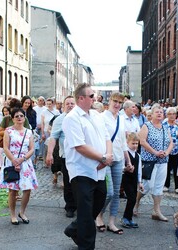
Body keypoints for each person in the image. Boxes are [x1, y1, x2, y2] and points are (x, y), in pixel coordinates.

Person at [62, 83, 113, 249]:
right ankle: (86, 246)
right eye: (91, 96)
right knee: (85, 211)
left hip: (99, 169)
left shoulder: (96, 115)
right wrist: (103, 158)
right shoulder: (72, 118)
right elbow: (80, 146)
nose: (95, 98)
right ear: (81, 98)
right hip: (82, 170)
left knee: (99, 202)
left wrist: (108, 156)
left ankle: (74, 228)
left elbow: (107, 138)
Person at [96, 92, 133, 235]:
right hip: (105, 159)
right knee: (108, 193)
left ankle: (112, 222)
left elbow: (123, 142)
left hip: (119, 159)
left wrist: (128, 161)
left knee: (116, 193)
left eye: (120, 102)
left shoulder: (122, 119)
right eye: (115, 101)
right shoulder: (101, 117)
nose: (117, 104)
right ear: (109, 101)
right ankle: (99, 215)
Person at [0, 108, 38, 225]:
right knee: (13, 190)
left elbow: (32, 149)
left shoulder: (28, 132)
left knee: (27, 189)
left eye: (21, 116)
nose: (19, 118)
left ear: (24, 118)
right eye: (17, 116)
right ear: (13, 118)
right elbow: (5, 147)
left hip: (25, 162)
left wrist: (22, 159)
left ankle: (22, 212)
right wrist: (14, 160)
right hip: (11, 161)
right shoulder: (8, 131)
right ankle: (13, 215)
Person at [133, 103, 173, 221]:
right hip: (150, 161)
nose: (160, 113)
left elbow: (171, 142)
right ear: (152, 114)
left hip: (163, 161)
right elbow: (142, 141)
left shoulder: (165, 127)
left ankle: (157, 211)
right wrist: (155, 152)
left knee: (159, 186)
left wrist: (167, 152)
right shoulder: (147, 126)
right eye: (157, 112)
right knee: (147, 186)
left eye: (161, 112)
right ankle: (136, 202)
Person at [46, 96, 76, 218]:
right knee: (68, 182)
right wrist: (49, 153)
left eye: (72, 103)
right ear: (63, 106)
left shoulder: (80, 118)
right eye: (67, 103)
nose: (70, 105)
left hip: (81, 157)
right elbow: (53, 137)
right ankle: (70, 206)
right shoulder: (59, 119)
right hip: (66, 156)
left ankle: (80, 204)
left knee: (79, 182)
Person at [120, 132, 143, 228]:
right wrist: (126, 168)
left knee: (133, 199)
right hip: (126, 179)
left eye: (136, 143)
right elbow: (121, 167)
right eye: (133, 143)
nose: (135, 145)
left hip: (134, 180)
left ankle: (129, 218)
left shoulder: (138, 156)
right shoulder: (125, 154)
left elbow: (139, 171)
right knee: (131, 198)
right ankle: (125, 218)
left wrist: (140, 182)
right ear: (127, 143)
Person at [162, 107, 178, 194]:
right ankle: (166, 185)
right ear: (166, 115)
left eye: (174, 114)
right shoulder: (163, 123)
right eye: (170, 114)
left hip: (177, 149)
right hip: (166, 149)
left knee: (177, 168)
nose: (172, 116)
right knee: (167, 167)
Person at [41, 98, 59, 166]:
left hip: (54, 131)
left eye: (50, 104)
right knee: (45, 148)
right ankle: (45, 161)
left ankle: (53, 162)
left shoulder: (56, 112)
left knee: (53, 147)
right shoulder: (44, 111)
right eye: (47, 104)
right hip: (46, 131)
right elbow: (42, 123)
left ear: (53, 104)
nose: (48, 105)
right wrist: (42, 132)